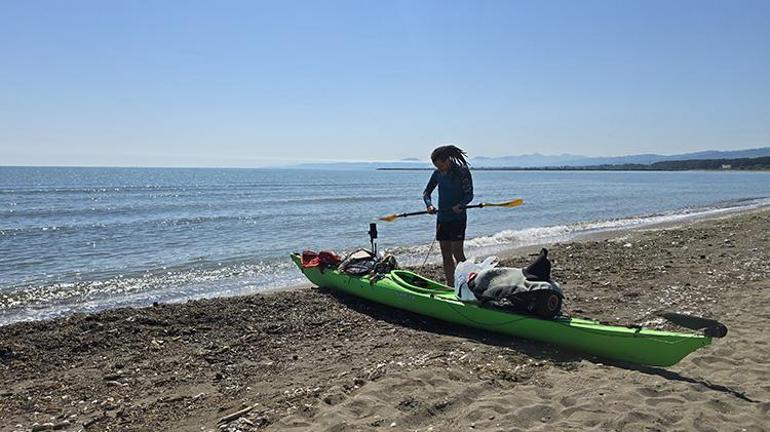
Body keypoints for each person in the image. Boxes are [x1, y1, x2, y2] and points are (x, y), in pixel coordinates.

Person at [423, 145, 474, 286]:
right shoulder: (437, 174)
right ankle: (450, 285)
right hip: (442, 219)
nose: (439, 169)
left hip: (458, 219)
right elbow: (426, 193)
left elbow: (469, 195)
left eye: (441, 165)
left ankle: (467, 284)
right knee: (445, 254)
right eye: (436, 166)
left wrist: (461, 204)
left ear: (448, 160)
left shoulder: (462, 172)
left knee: (457, 253)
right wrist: (429, 205)